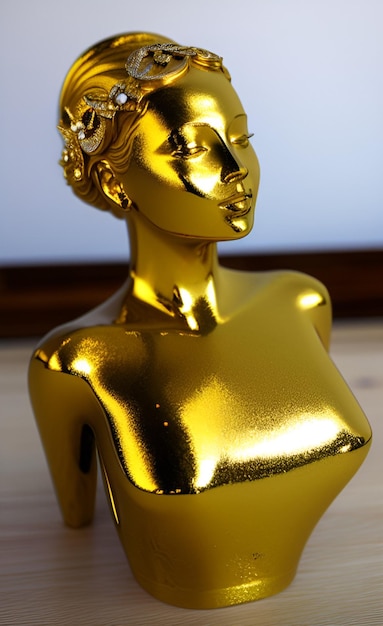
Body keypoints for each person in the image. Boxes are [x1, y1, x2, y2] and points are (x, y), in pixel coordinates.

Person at [29, 32, 371, 609]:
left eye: (242, 139)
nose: (237, 169)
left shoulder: (301, 301)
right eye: (192, 149)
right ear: (115, 183)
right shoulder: (79, 361)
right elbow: (74, 517)